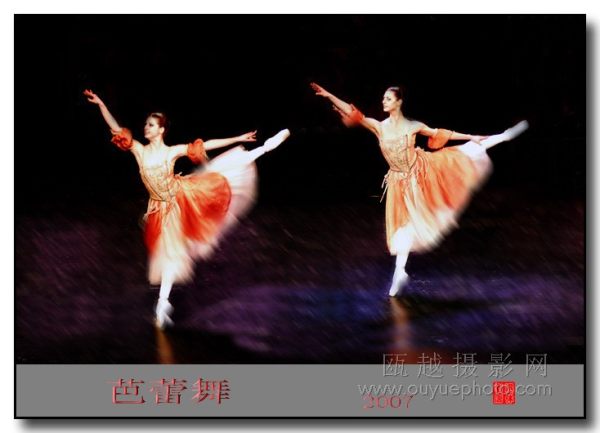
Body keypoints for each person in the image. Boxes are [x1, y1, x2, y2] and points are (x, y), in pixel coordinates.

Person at [84, 89, 290, 327]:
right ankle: (163, 304)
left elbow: (205, 145)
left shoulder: (171, 152)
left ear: (161, 130)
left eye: (151, 125)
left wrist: (237, 138)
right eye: (146, 124)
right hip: (159, 209)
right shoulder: (139, 150)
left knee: (223, 173)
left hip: (180, 200)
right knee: (168, 255)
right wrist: (101, 104)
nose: (146, 128)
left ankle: (264, 148)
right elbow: (116, 129)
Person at [310, 83, 528, 297]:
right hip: (399, 183)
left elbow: (440, 133)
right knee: (403, 227)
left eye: (388, 98)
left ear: (398, 102)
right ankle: (400, 273)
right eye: (384, 98)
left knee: (465, 153)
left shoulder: (413, 126)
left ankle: (503, 136)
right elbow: (353, 113)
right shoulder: (379, 126)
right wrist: (329, 95)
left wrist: (471, 136)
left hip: (421, 173)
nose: (384, 101)